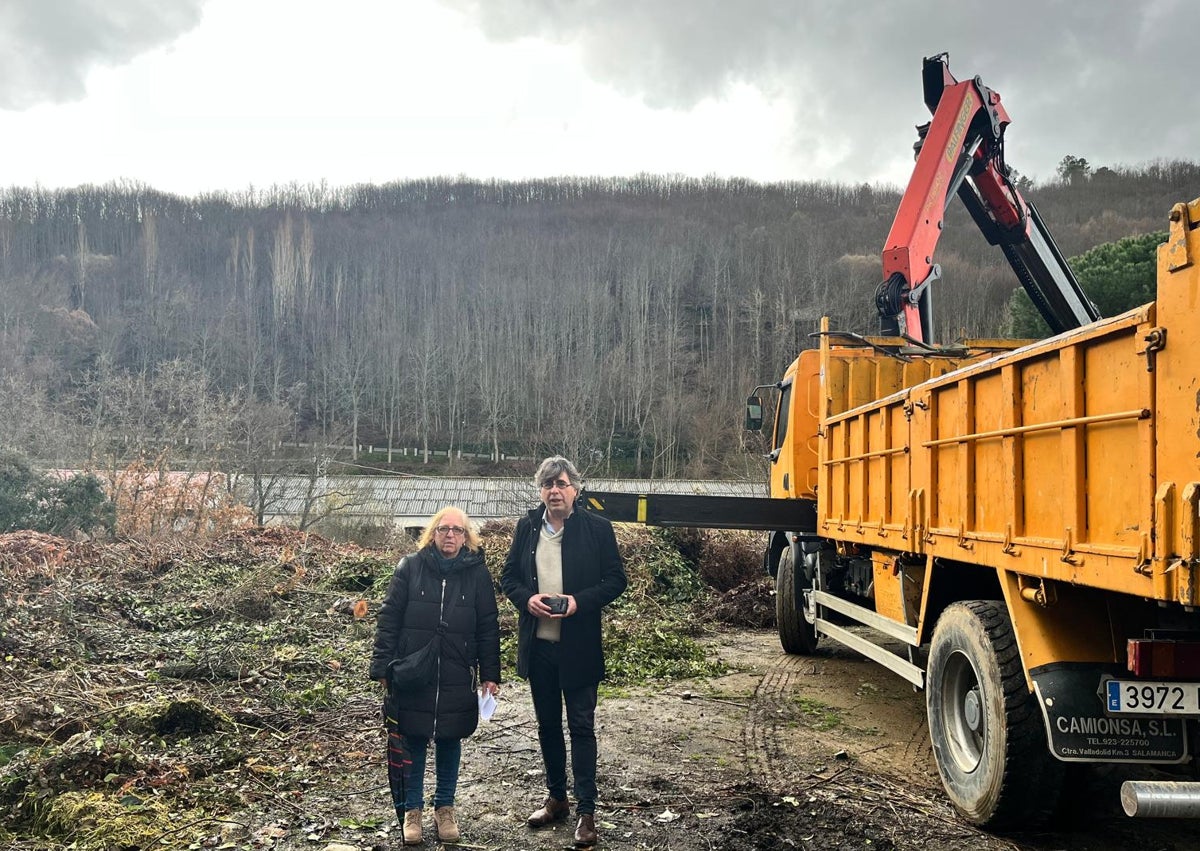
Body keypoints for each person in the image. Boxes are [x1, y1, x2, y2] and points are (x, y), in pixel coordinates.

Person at [501, 456, 628, 846]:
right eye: (547, 485)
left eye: (560, 483)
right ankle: (557, 798)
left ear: (575, 488)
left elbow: (615, 581)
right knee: (547, 726)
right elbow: (508, 577)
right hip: (539, 646)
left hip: (579, 647)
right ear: (540, 491)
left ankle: (587, 812)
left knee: (582, 727)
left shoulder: (597, 529)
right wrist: (528, 599)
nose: (554, 491)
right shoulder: (526, 528)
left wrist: (578, 602)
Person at [370, 506, 501, 846]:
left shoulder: (477, 574)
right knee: (412, 737)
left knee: (449, 738)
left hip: (458, 669)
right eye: (444, 529)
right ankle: (412, 810)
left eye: (458, 530)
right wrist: (382, 666)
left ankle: (445, 807)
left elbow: (488, 626)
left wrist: (490, 673)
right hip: (415, 670)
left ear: (466, 536)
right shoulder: (410, 568)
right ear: (432, 533)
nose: (450, 535)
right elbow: (389, 620)